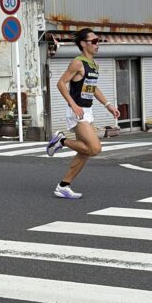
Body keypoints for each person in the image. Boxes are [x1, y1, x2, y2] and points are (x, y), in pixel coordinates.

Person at [46, 27, 120, 198]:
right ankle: (61, 141)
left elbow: (92, 88)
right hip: (77, 112)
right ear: (83, 44)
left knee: (84, 153)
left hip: (87, 111)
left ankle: (63, 186)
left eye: (98, 41)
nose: (97, 44)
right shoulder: (77, 62)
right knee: (95, 148)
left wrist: (108, 104)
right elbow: (61, 83)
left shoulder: (94, 64)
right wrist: (72, 105)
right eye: (93, 41)